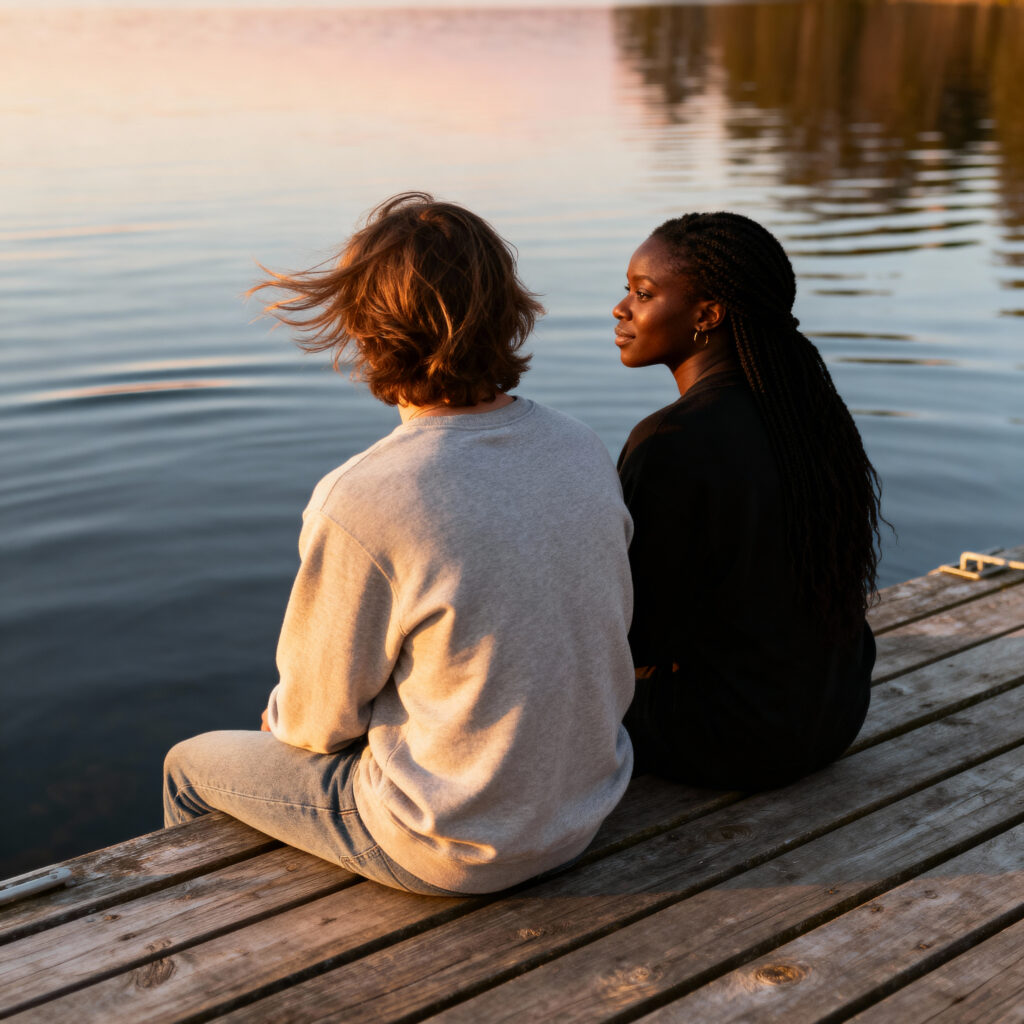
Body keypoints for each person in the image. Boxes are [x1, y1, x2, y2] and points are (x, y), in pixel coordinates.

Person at [164, 193, 635, 895]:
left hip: (454, 845)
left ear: (366, 328)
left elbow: (315, 722)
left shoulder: (365, 497)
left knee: (190, 765)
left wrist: (285, 719)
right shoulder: (581, 447)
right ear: (508, 312)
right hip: (585, 806)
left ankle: (197, 949)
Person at [612, 211, 881, 791]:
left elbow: (633, 633)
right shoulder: (811, 414)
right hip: (834, 717)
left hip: (726, 739)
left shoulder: (669, 441)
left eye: (643, 293)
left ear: (708, 314)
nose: (622, 308)